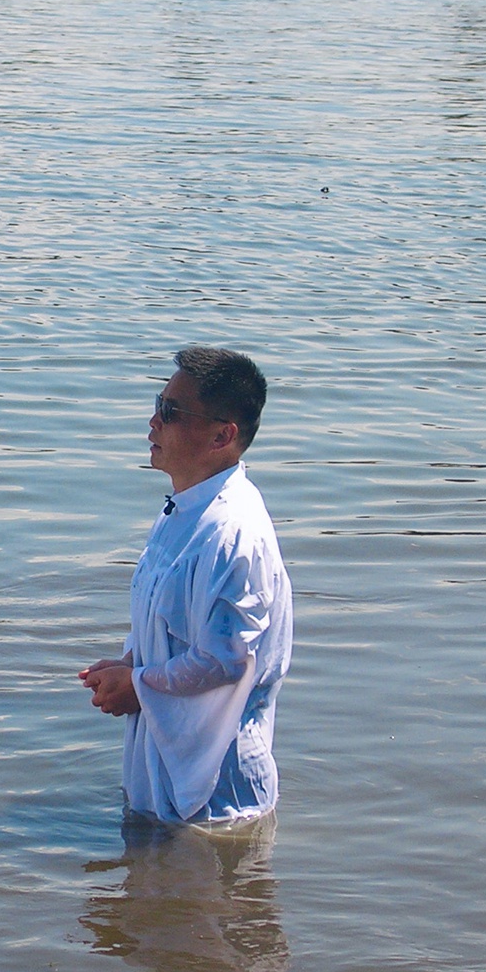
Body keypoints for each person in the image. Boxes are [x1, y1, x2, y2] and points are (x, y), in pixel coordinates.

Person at [80, 346, 293, 824]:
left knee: (203, 873)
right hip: (165, 773)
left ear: (222, 435)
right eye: (158, 404)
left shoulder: (233, 533)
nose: (153, 422)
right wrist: (131, 662)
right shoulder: (183, 510)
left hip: (218, 797)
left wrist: (138, 686)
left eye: (171, 412)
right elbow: (170, 625)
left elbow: (225, 660)